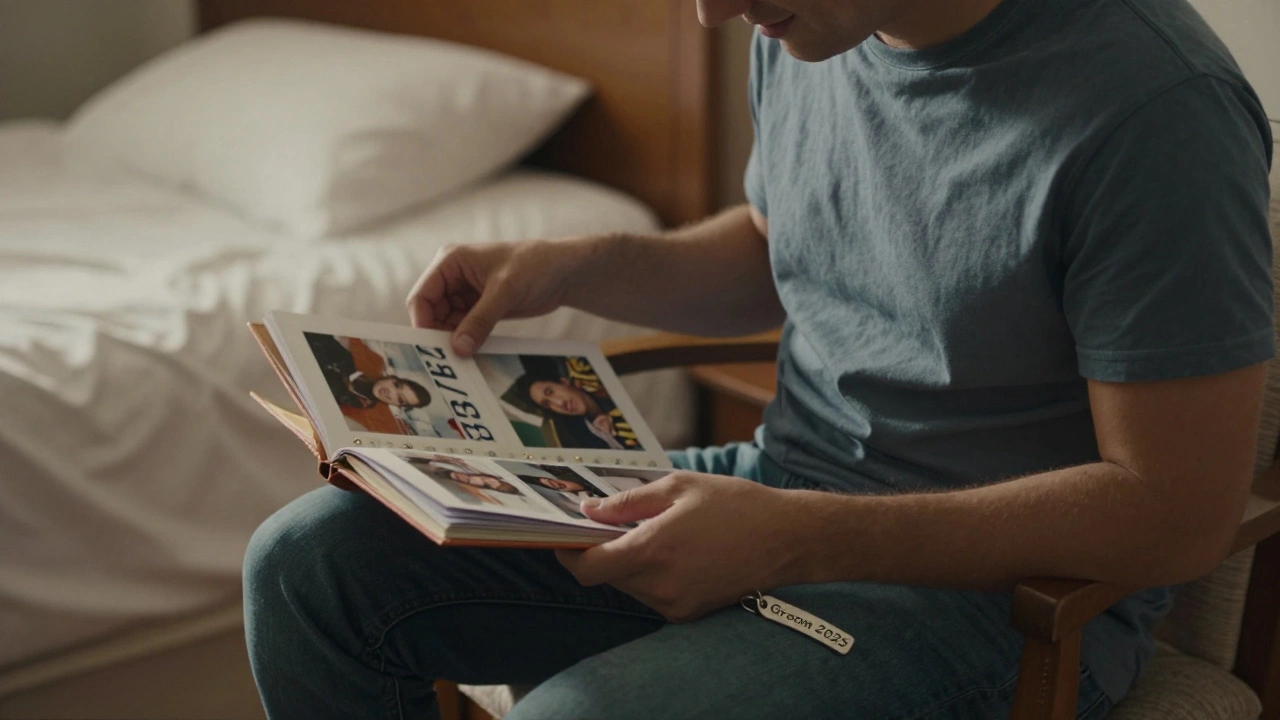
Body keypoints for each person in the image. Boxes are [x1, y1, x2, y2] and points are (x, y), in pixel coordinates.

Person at [246, 1, 1274, 718]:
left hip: (994, 596)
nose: (711, 11)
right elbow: (776, 246)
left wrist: (794, 541)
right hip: (779, 494)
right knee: (307, 568)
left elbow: (1174, 514)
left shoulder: (1153, 110)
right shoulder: (810, 27)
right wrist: (572, 265)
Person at [502, 356, 642, 450]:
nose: (558, 403)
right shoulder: (586, 436)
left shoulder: (600, 386)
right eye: (547, 403)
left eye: (550, 392)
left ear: (563, 382)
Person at [305, 332, 432, 411]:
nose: (390, 392)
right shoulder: (356, 359)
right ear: (391, 377)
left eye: (400, 399)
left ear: (398, 406)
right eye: (396, 385)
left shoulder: (358, 404)